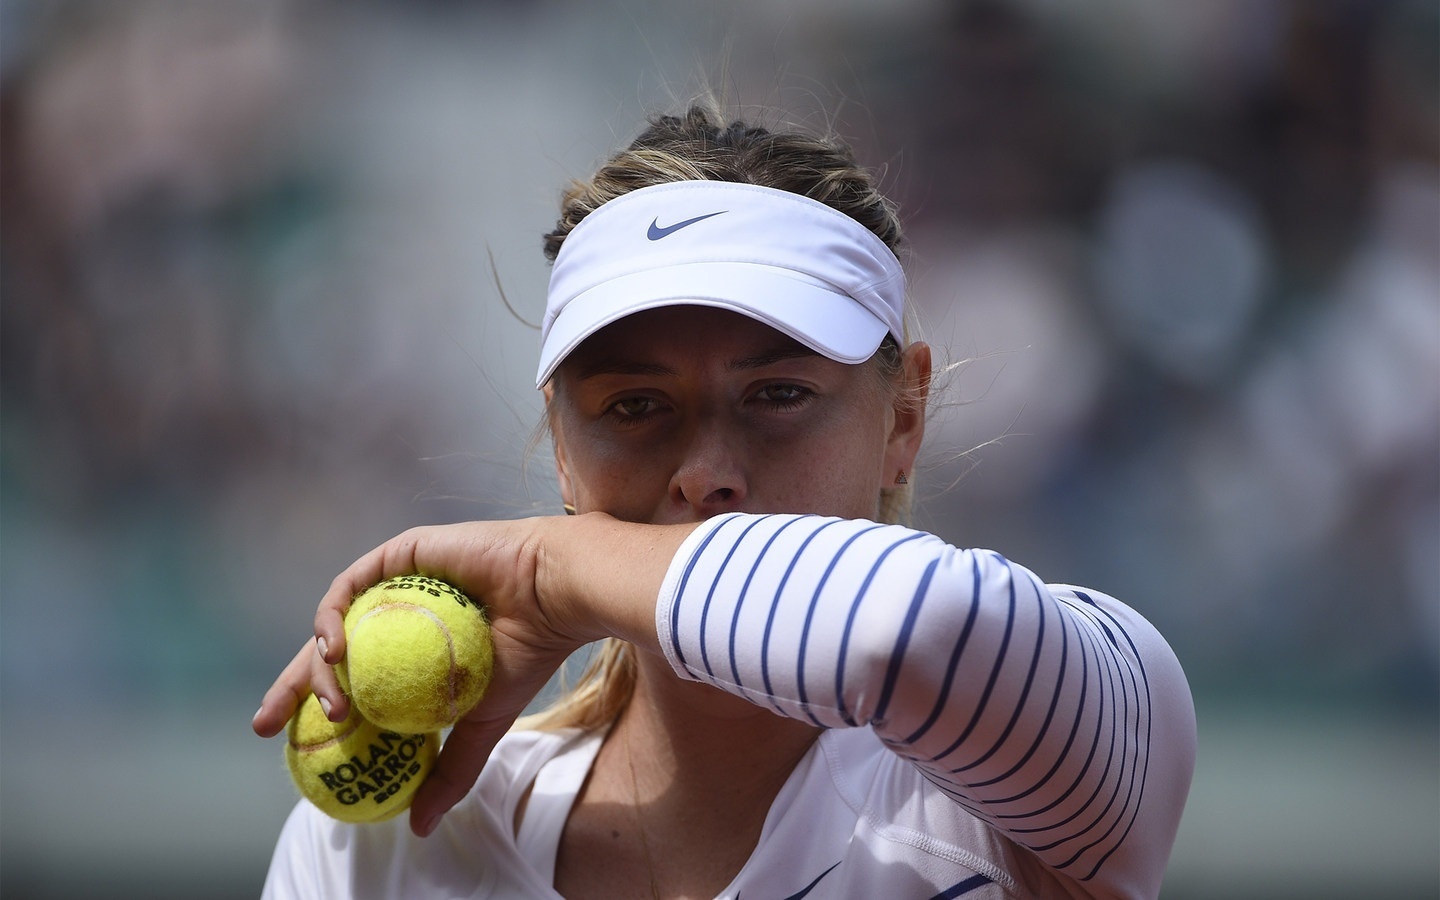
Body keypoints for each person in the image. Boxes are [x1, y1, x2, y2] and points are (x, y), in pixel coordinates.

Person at [252, 105, 1197, 900]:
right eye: (634, 406)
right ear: (563, 450)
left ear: (903, 417)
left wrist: (553, 571)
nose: (706, 472)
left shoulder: (1037, 769)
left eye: (779, 395)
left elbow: (908, 628)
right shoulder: (375, 850)